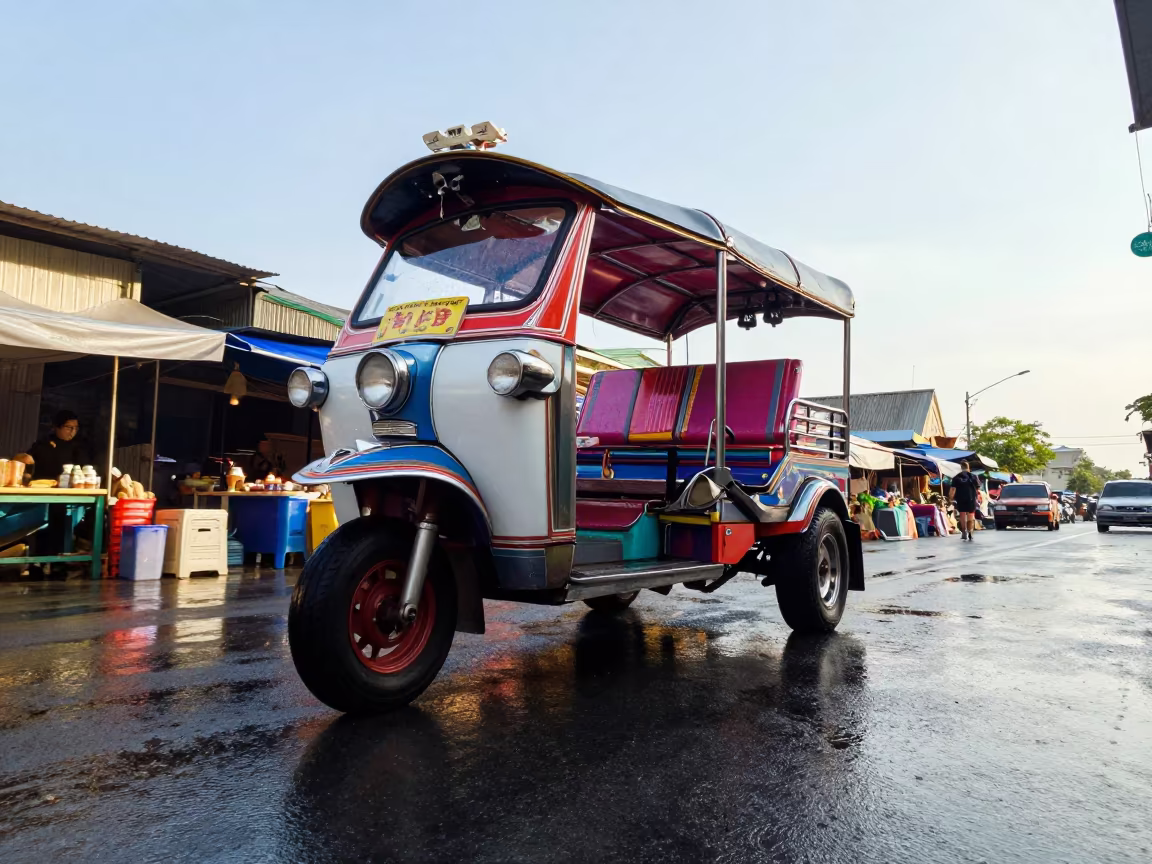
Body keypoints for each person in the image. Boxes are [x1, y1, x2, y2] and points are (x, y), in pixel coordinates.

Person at [26, 410, 91, 482]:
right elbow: (27, 460)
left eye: (75, 428)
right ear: (57, 427)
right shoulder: (44, 443)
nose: (73, 432)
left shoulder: (78, 447)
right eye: (69, 427)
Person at [949, 461, 982, 541]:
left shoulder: (956, 477)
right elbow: (977, 489)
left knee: (962, 515)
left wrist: (950, 498)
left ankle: (964, 532)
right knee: (970, 516)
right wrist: (977, 498)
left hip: (960, 499)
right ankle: (970, 531)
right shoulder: (974, 476)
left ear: (961, 468)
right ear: (968, 468)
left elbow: (952, 489)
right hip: (971, 499)